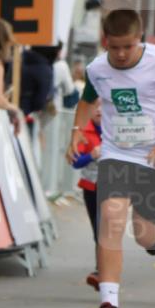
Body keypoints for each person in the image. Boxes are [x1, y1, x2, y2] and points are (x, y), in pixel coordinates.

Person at [67, 8, 155, 308]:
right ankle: (108, 304)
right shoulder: (97, 69)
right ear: (104, 40)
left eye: (128, 46)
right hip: (116, 153)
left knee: (145, 235)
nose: (121, 54)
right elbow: (86, 101)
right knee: (110, 216)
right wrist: (76, 133)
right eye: (114, 47)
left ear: (140, 39)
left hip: (154, 156)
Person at [70, 102, 102, 291]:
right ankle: (102, 271)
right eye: (95, 106)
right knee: (98, 230)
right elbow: (75, 162)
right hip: (91, 187)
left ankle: (102, 272)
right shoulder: (83, 131)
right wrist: (91, 155)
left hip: (115, 187)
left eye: (103, 105)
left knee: (105, 228)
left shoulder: (120, 130)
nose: (99, 110)